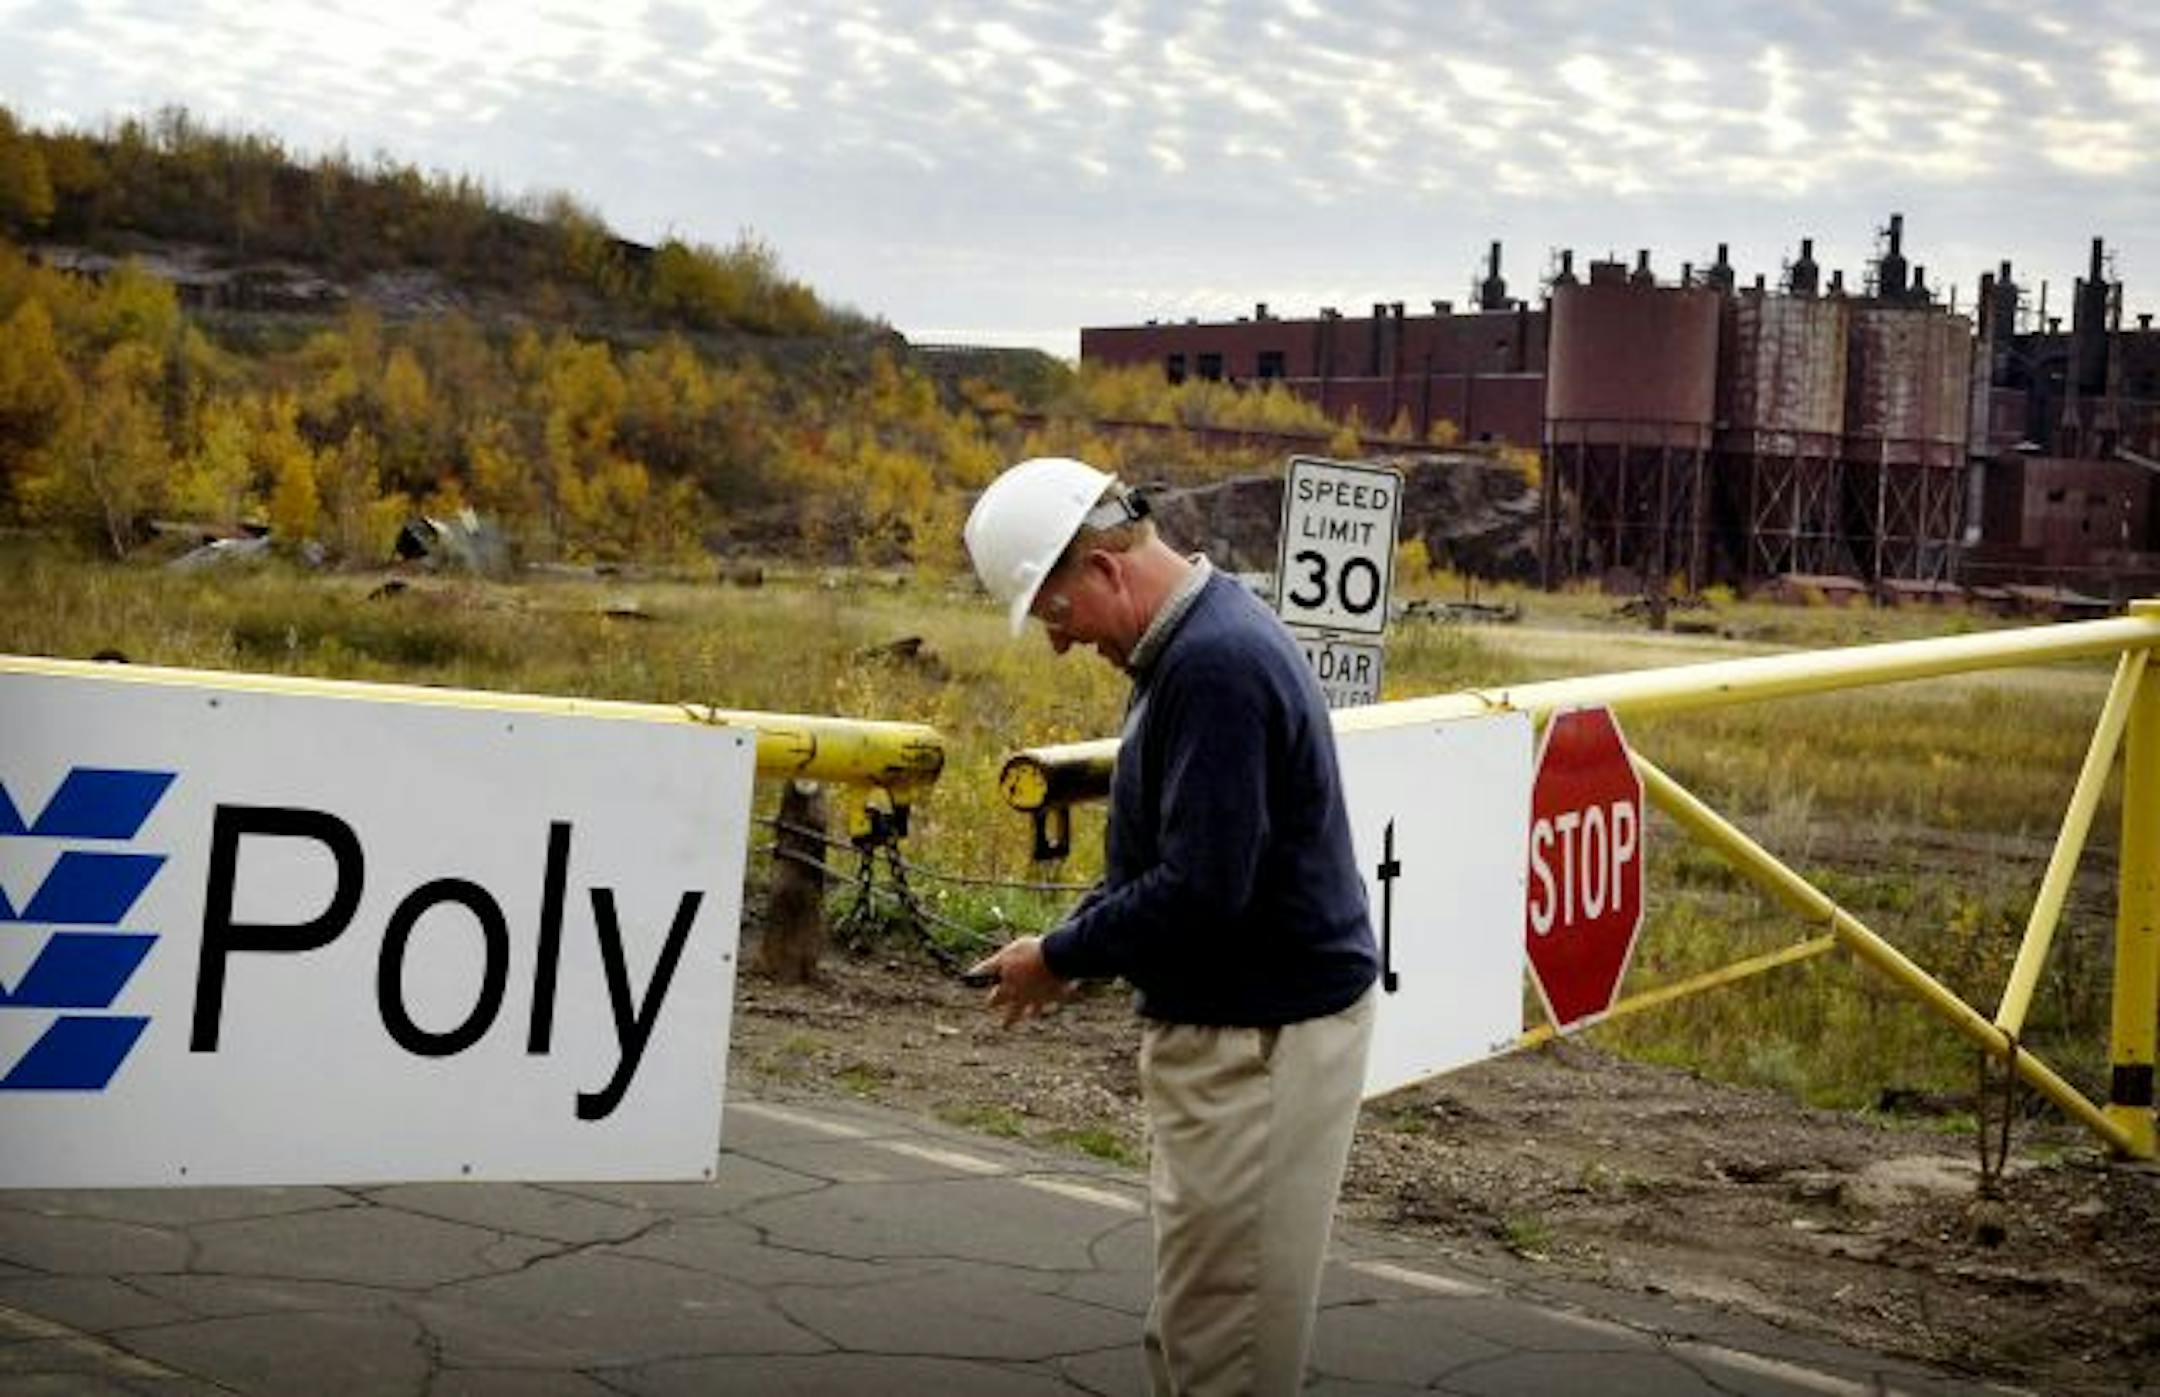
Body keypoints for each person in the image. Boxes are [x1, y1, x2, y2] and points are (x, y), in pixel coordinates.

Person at [963, 455, 1379, 1396]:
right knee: (1202, 1326)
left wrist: (1063, 952)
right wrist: (1073, 949)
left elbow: (1200, 888)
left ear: (1105, 570)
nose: (1061, 646)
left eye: (1055, 615)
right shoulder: (1191, 644)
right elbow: (1168, 862)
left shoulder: (1213, 667)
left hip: (1257, 1043)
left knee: (1222, 1353)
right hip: (1250, 1031)